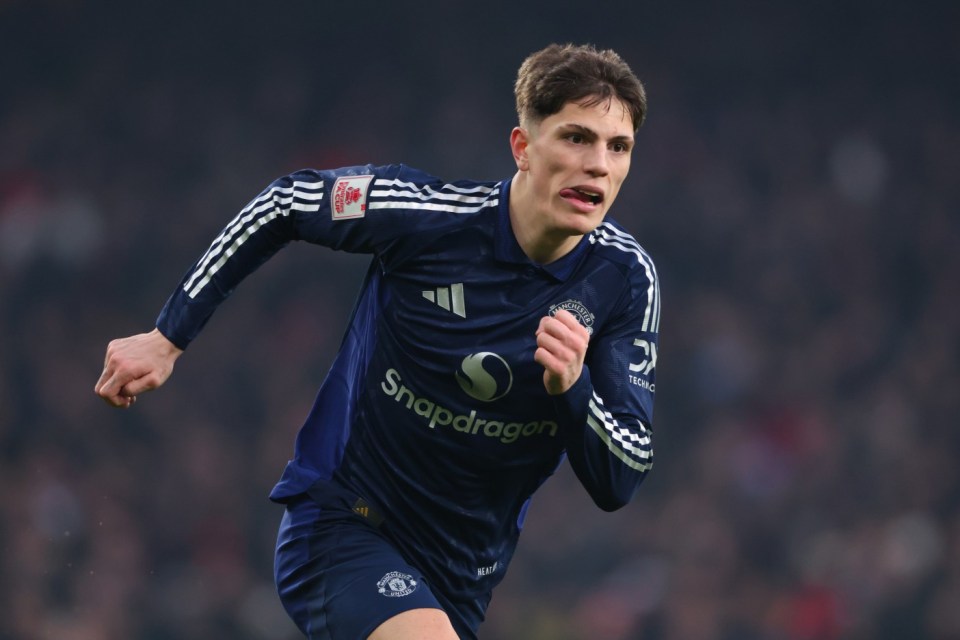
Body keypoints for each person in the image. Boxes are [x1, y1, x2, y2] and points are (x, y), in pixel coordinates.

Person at [95, 42, 660, 640]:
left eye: (617, 146)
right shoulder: (429, 218)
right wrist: (167, 336)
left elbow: (620, 478)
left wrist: (574, 387)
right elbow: (285, 203)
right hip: (345, 526)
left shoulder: (624, 280)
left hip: (462, 579)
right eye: (576, 137)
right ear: (522, 148)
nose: (598, 163)